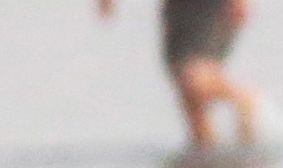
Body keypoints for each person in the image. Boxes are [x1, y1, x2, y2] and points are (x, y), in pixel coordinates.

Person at [98, 0, 259, 148]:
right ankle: (206, 158)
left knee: (194, 77)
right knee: (189, 96)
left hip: (212, 7)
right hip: (176, 8)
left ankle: (243, 99)